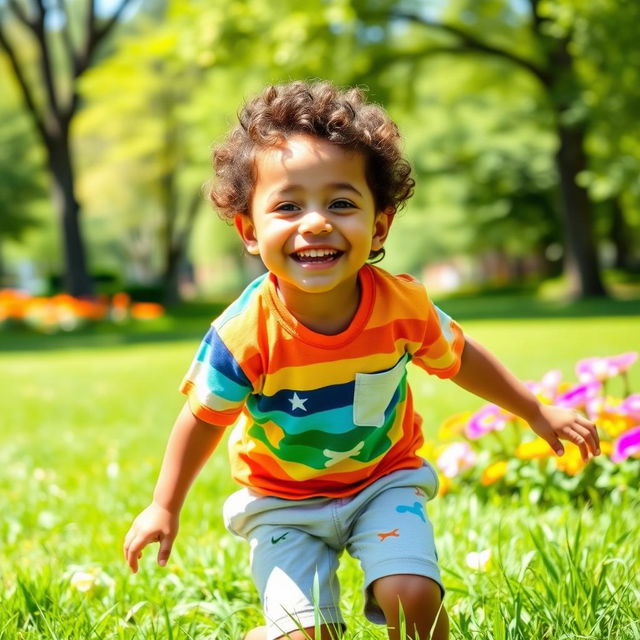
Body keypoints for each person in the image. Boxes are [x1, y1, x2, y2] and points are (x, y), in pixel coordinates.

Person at [123, 81, 600, 640]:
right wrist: (163, 505)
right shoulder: (242, 334)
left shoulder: (402, 307)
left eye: (342, 203)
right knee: (309, 635)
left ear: (380, 224)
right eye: (288, 205)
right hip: (280, 500)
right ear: (250, 230)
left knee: (413, 595)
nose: (317, 222)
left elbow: (460, 356)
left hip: (382, 482)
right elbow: (202, 418)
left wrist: (534, 410)